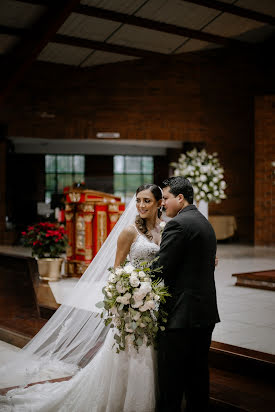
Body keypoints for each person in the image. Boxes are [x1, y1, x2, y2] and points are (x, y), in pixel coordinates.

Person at [0, 184, 163, 412]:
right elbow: (116, 270)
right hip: (132, 304)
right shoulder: (129, 232)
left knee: (151, 354)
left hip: (155, 301)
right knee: (131, 354)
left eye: (147, 201)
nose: (141, 205)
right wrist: (127, 296)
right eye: (138, 200)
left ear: (159, 203)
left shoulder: (165, 229)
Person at [156, 176, 220, 412]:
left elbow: (162, 268)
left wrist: (133, 278)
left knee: (170, 382)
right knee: (198, 378)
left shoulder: (178, 224)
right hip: (205, 314)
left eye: (165, 198)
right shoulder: (204, 222)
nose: (163, 204)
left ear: (180, 198)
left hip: (181, 316)